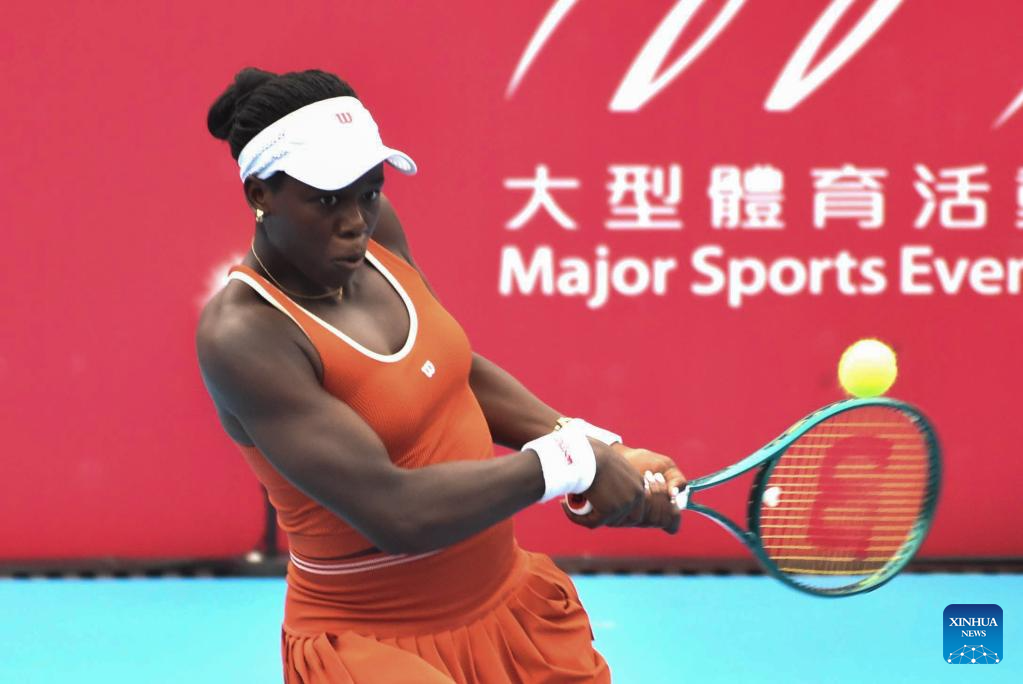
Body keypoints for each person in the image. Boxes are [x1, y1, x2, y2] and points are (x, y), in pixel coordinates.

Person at [196, 67, 686, 684]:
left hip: (509, 611)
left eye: (368, 192)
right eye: (326, 199)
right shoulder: (243, 335)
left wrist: (602, 446)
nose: (355, 220)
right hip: (371, 648)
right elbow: (395, 511)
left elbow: (453, 372)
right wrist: (574, 463)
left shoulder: (375, 235)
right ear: (260, 194)